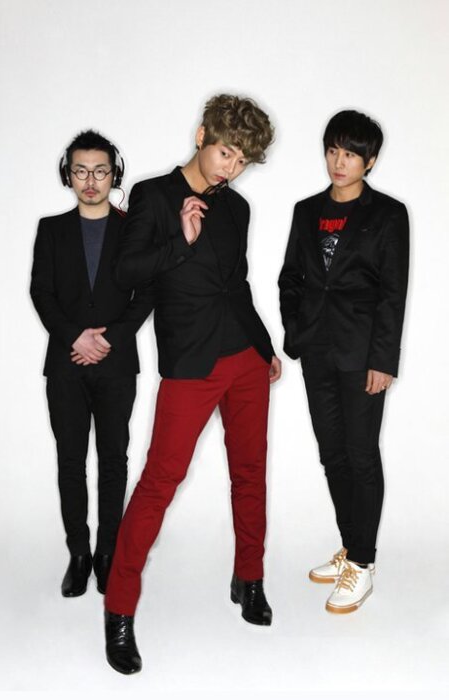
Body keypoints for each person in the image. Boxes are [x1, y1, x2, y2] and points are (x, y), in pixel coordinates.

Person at [103, 94, 281, 674]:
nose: (231, 168)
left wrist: (263, 345)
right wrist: (179, 241)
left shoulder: (237, 208)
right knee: (159, 481)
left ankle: (249, 578)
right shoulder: (153, 196)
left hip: (245, 359)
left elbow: (238, 283)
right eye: (226, 153)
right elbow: (127, 272)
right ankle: (119, 609)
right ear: (202, 134)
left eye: (242, 161)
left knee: (250, 472)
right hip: (191, 364)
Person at [279, 110, 409, 614]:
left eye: (351, 154)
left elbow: (392, 293)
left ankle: (363, 562)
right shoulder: (306, 211)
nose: (339, 161)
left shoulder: (389, 215)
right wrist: (296, 332)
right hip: (317, 352)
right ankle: (353, 547)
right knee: (332, 454)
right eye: (333, 150)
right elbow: (290, 278)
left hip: (362, 356)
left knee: (361, 454)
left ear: (369, 161)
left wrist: (383, 359)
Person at [30, 130, 153, 598]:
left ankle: (107, 554)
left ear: (113, 174)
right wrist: (74, 337)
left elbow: (147, 293)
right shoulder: (51, 229)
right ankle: (79, 555)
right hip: (65, 365)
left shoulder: (132, 229)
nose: (90, 181)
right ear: (68, 175)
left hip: (116, 365)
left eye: (100, 171)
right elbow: (41, 292)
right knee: (70, 460)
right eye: (80, 171)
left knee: (114, 460)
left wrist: (109, 339)